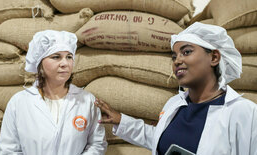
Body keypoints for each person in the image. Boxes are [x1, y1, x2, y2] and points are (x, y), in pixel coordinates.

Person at [95, 22, 257, 155]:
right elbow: (161, 138)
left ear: (214, 57)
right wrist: (121, 120)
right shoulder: (175, 104)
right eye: (174, 56)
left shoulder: (244, 113)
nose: (177, 61)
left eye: (186, 52)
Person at [0, 30, 107, 155]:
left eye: (69, 57)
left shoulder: (87, 101)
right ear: (39, 62)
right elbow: (8, 150)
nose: (65, 63)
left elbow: (97, 144)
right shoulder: (19, 102)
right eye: (56, 57)